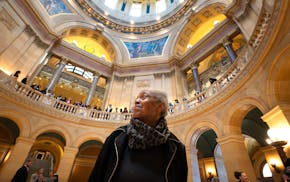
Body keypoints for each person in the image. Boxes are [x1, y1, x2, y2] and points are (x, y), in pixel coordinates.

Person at [89, 90, 188, 181]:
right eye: (136, 98)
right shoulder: (116, 137)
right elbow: (97, 175)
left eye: (144, 97)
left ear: (160, 107)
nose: (136, 101)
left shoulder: (176, 147)